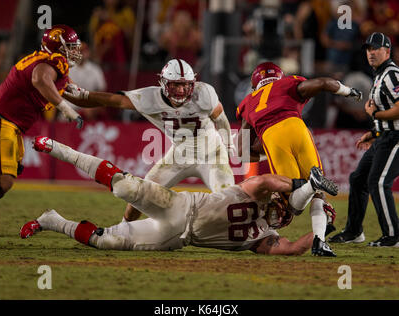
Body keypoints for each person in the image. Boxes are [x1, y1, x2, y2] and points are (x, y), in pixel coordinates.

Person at [20, 136, 338, 256]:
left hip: (174, 237)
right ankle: (57, 147)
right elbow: (268, 179)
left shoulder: (264, 237)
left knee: (104, 241)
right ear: (278, 198)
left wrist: (322, 232)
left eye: (286, 217)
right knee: (124, 185)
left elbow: (294, 248)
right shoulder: (256, 191)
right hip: (180, 204)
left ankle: (52, 221)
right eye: (282, 207)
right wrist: (300, 183)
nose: (281, 215)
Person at [64, 58, 236, 222]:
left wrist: (228, 145)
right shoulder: (149, 98)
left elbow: (220, 119)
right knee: (141, 194)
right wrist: (84, 94)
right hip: (179, 154)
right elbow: (113, 100)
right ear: (163, 83)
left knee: (229, 202)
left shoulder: (204, 93)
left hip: (212, 154)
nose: (182, 90)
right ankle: (124, 227)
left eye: (185, 84)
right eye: (176, 84)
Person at [236, 61, 362, 252]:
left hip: (272, 136)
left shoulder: (249, 101)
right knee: (319, 193)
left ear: (255, 85)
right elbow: (322, 83)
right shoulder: (287, 83)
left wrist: (266, 152)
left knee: (294, 205)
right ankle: (319, 241)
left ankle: (312, 184)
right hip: (297, 128)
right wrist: (348, 91)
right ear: (278, 77)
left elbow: (242, 151)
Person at [0, 24, 84, 205]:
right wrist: (65, 109)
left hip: (9, 123)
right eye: (71, 47)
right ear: (58, 46)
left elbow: (62, 84)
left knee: (7, 176)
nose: (75, 51)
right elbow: (39, 79)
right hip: (1, 120)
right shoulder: (52, 62)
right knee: (4, 181)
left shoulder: (46, 60)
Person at [329, 32, 399, 247]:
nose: (371, 53)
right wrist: (373, 132)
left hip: (396, 137)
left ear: (387, 50)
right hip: (384, 136)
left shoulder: (392, 75)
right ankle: (353, 231)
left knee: (378, 183)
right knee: (358, 179)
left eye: (376, 48)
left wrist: (374, 115)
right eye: (368, 49)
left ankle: (393, 236)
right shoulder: (379, 75)